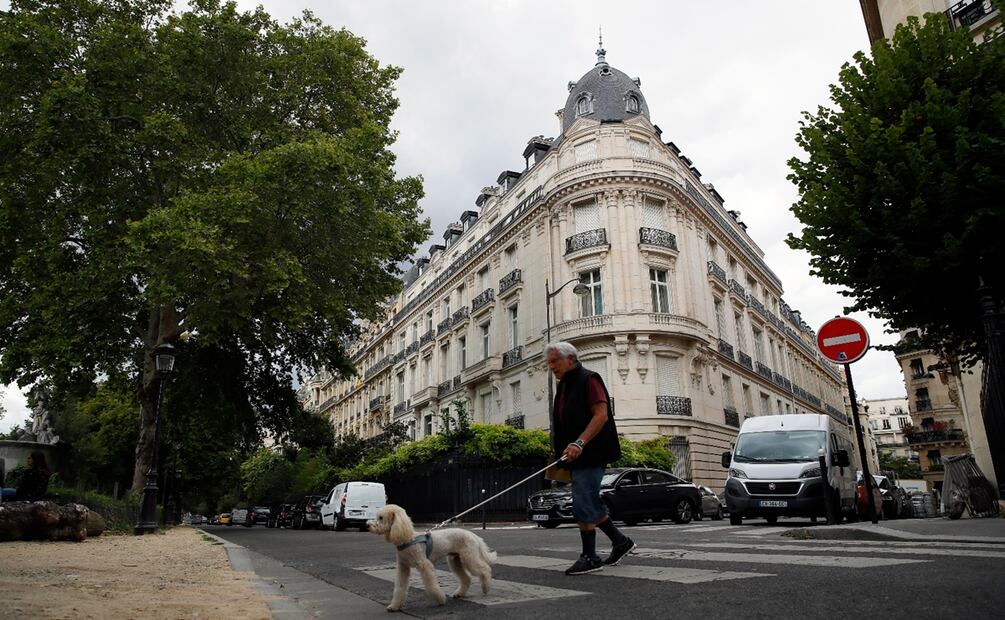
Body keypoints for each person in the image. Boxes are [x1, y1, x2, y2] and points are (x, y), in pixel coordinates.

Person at [546, 341, 634, 575]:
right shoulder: (564, 386)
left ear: (571, 359)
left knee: (584, 502)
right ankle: (620, 542)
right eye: (549, 362)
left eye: (555, 361)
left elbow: (601, 415)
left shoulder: (589, 379)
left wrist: (579, 442)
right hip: (575, 456)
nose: (551, 366)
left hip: (592, 452)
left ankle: (591, 556)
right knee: (586, 501)